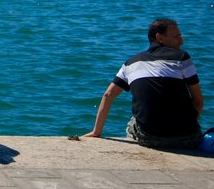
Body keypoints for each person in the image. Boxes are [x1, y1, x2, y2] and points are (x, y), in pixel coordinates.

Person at [84, 18, 203, 149]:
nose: (181, 41)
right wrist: (184, 129)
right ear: (160, 38)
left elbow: (108, 95)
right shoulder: (182, 57)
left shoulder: (131, 63)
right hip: (188, 138)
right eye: (177, 36)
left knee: (133, 121)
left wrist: (97, 132)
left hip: (150, 139)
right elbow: (198, 101)